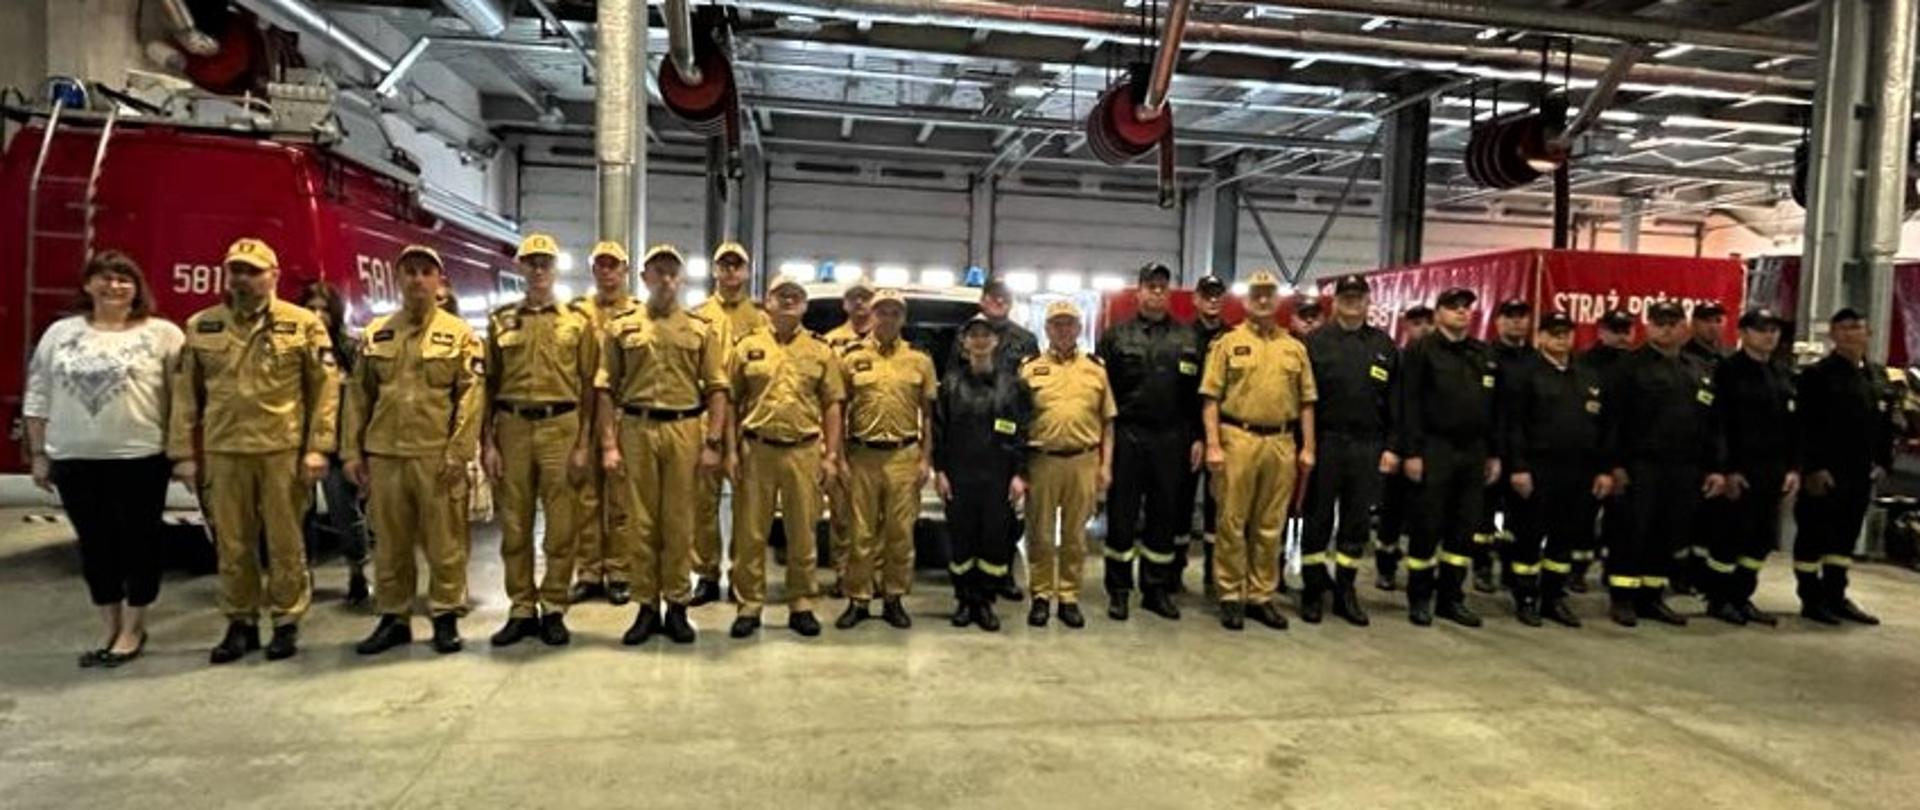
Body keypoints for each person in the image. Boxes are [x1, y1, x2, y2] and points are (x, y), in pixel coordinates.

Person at [169, 237, 339, 663]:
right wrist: (182, 453)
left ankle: (286, 620)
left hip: (282, 451)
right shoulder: (202, 326)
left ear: (273, 276)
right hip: (224, 451)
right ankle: (240, 622)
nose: (242, 279)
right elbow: (185, 395)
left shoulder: (302, 324)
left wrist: (319, 447)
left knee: (285, 543)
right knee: (232, 544)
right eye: (236, 271)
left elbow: (325, 389)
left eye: (253, 271)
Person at [25, 251, 183, 668]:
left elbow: (182, 399)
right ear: (88, 284)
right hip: (73, 457)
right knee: (95, 546)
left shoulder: (163, 334)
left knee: (140, 544)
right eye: (105, 278)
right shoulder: (60, 333)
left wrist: (183, 452)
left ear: (137, 287)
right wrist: (39, 453)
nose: (114, 286)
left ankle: (134, 627)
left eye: (123, 279)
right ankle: (109, 626)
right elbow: (38, 394)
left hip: (141, 457)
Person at [342, 245, 486, 655]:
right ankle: (394, 618)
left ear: (439, 280)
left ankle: (445, 616)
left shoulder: (460, 335)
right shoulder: (376, 334)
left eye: (426, 272)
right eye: (410, 272)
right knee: (390, 543)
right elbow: (358, 396)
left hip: (436, 456)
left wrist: (459, 452)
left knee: (445, 542)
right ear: (398, 278)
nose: (418, 279)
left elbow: (471, 397)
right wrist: (352, 451)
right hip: (386, 456)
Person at [599, 245, 731, 645]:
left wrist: (713, 442)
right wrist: (609, 444)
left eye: (673, 272)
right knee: (639, 523)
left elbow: (718, 387)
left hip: (684, 429)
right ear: (645, 278)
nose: (667, 280)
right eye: (659, 272)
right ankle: (645, 606)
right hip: (637, 428)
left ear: (682, 278)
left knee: (679, 522)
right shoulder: (621, 327)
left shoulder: (700, 329)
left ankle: (676, 605)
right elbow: (605, 387)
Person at [481, 233, 598, 648]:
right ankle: (521, 608)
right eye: (531, 261)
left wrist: (584, 443)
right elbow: (487, 384)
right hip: (512, 427)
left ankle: (553, 607)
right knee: (515, 525)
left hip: (560, 427)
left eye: (545, 261)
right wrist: (487, 444)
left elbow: (589, 385)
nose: (538, 269)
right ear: (520, 267)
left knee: (562, 526)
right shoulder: (500, 321)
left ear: (556, 267)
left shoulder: (577, 322)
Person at [725, 274, 844, 638]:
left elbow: (833, 404)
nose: (789, 300)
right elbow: (730, 401)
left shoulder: (821, 350)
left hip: (803, 451)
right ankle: (749, 605)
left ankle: (801, 603)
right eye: (782, 295)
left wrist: (831, 456)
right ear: (768, 302)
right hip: (756, 450)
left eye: (796, 295)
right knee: (750, 533)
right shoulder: (747, 346)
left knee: (803, 531)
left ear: (804, 305)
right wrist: (730, 451)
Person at [1201, 270, 1316, 631]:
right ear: (1246, 300)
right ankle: (1231, 593)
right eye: (1257, 294)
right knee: (1232, 521)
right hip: (1238, 438)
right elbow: (1210, 399)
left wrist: (1308, 447)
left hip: (1281, 442)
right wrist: (1213, 444)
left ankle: (1261, 595)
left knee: (1270, 523)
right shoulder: (1226, 343)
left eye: (1269, 294)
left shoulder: (1294, 348)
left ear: (1278, 300)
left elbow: (1307, 402)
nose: (1263, 300)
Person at [1603, 300, 1725, 627]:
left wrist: (1715, 467)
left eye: (1673, 323)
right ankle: (1623, 597)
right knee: (1631, 531)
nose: (1667, 329)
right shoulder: (1629, 367)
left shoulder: (1697, 369)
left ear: (1684, 327)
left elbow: (1712, 423)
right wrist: (1615, 464)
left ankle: (1651, 596)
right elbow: (1612, 420)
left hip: (1684, 467)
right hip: (1640, 466)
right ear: (1648, 326)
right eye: (1660, 323)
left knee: (1667, 533)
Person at [1096, 263, 1202, 622]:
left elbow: (1199, 396)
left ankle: (1156, 589)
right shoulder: (1116, 337)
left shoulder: (1188, 338)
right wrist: (1103, 447)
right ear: (1138, 291)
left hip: (1173, 437)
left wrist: (1198, 437)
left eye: (1162, 286)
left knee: (1164, 514)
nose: (1157, 292)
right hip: (1128, 435)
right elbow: (1102, 396)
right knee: (1122, 515)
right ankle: (1119, 590)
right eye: (1150, 286)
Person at [836, 289, 938, 630]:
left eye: (895, 313)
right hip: (862, 456)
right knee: (860, 533)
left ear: (903, 319)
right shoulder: (851, 358)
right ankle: (859, 599)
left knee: (900, 533)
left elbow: (929, 416)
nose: (888, 318)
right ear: (871, 315)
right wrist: (838, 457)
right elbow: (837, 409)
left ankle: (893, 597)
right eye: (882, 312)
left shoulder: (919, 361)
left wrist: (925, 459)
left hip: (903, 457)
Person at [1397, 287, 1499, 627]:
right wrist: (1412, 452)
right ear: (1438, 313)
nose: (1461, 312)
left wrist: (1493, 453)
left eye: (1466, 307)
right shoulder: (1421, 350)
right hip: (1434, 448)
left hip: (1473, 451)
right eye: (1453, 306)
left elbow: (1494, 408)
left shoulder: (1482, 353)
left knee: (1464, 527)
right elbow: (1409, 403)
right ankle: (1419, 597)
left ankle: (1451, 597)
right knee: (1428, 525)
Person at [1500, 312, 1610, 627]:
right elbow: (1513, 426)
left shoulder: (1587, 374)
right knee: (1529, 535)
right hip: (1537, 470)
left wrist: (1602, 469)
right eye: (1555, 333)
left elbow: (1602, 427)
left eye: (1567, 333)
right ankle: (1525, 597)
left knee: (1564, 538)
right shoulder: (1525, 374)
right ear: (1542, 337)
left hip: (1577, 472)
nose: (1562, 339)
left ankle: (1553, 596)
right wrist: (1518, 468)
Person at [1299, 274, 1396, 626]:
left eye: (1359, 296)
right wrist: (1305, 446)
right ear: (1336, 301)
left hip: (1368, 446)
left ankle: (1345, 591)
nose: (1353, 302)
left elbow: (1395, 403)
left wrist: (1391, 447)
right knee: (1317, 518)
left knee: (1356, 522)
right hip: (1326, 442)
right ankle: (1312, 591)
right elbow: (1302, 401)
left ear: (1368, 301)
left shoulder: (1384, 345)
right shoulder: (1315, 343)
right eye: (1347, 296)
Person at [1792, 308, 1895, 626]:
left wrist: (1883, 462)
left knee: (1843, 538)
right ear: (1833, 335)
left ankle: (1835, 596)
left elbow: (1885, 424)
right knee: (1814, 536)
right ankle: (1811, 598)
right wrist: (1812, 468)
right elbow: (1803, 425)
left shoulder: (1877, 376)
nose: (1850, 334)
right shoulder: (1817, 375)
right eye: (1843, 328)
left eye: (1856, 327)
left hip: (1860, 472)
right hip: (1826, 472)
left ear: (1869, 333)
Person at [933, 314, 1032, 632]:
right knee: (961, 540)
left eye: (985, 335)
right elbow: (939, 431)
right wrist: (940, 471)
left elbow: (1022, 431)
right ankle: (964, 601)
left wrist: (1019, 474)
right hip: (960, 476)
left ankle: (985, 602)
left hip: (998, 476)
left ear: (995, 341)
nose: (979, 341)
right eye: (973, 335)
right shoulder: (950, 385)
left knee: (993, 540)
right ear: (964, 343)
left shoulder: (1013, 385)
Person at [1020, 300, 1116, 629]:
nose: (1063, 330)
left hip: (1083, 461)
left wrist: (1106, 466)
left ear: (1078, 328)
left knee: (1075, 535)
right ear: (1046, 329)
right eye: (1056, 324)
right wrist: (1019, 469)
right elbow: (1018, 422)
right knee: (1040, 533)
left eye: (1069, 324)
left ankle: (1068, 596)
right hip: (1042, 461)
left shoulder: (1096, 369)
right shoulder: (1029, 369)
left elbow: (1108, 422)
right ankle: (1041, 595)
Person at [1703, 308, 1796, 627]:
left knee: (1760, 539)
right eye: (1761, 329)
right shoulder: (1728, 371)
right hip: (1740, 471)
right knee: (1730, 538)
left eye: (1774, 330)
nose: (1769, 336)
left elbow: (1793, 426)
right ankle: (1719, 599)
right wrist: (1726, 469)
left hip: (1772, 471)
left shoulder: (1781, 372)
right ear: (1743, 333)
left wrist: (1792, 468)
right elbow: (1717, 424)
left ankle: (1742, 595)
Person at [690, 241, 770, 607]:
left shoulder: (762, 320)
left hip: (745, 422)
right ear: (714, 270)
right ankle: (706, 574)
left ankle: (741, 575)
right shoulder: (697, 316)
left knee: (746, 507)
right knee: (702, 505)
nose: (731, 271)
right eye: (725, 265)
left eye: (737, 265)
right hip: (705, 419)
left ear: (747, 272)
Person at [571, 241, 641, 607]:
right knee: (585, 497)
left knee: (621, 499)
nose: (608, 271)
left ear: (625, 270)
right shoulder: (575, 313)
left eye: (614, 265)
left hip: (621, 413)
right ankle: (588, 571)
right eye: (601, 265)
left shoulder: (639, 314)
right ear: (593, 270)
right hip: (583, 412)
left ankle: (619, 571)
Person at [299, 280, 371, 606]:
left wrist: (359, 448)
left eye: (324, 309)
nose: (317, 315)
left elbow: (361, 400)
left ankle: (358, 570)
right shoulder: (294, 346)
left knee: (344, 512)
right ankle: (303, 576)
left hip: (341, 445)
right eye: (310, 308)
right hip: (301, 443)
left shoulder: (350, 348)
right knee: (300, 515)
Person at [1578, 309, 1637, 592]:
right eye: (1616, 330)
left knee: (1620, 519)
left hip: (1626, 453)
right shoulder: (1584, 363)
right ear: (1601, 331)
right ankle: (1576, 569)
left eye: (1627, 330)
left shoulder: (1638, 365)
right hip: (1590, 450)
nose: (1623, 336)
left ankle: (1612, 568)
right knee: (1583, 515)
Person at [1478, 298, 1534, 594]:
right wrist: (1491, 452)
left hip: (1525, 450)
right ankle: (1482, 566)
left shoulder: (1536, 360)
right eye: (1510, 316)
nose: (1516, 321)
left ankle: (1512, 569)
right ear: (1498, 321)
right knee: (1484, 514)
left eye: (1522, 316)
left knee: (1520, 515)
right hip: (1492, 448)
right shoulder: (1484, 357)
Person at [824, 279, 876, 598]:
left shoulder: (887, 340)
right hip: (840, 440)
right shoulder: (829, 342)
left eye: (865, 297)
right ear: (844, 304)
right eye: (853, 298)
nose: (859, 303)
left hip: (874, 441)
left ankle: (872, 575)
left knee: (875, 517)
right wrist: (831, 450)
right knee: (842, 515)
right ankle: (843, 573)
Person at [1375, 304, 1433, 592]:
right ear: (1406, 327)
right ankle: (1386, 567)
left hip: (1429, 449)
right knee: (1391, 512)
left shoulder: (1439, 360)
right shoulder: (1397, 359)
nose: (1423, 328)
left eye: (1427, 322)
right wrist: (1394, 447)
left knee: (1426, 515)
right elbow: (1393, 406)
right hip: (1398, 447)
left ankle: (1422, 574)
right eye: (1416, 323)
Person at [1676, 301, 1731, 595]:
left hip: (1720, 452)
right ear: (1693, 324)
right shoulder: (1682, 359)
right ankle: (1679, 574)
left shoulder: (1728, 361)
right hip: (1689, 452)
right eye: (1707, 320)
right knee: (1684, 519)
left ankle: (1700, 575)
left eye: (1718, 320)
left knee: (1712, 522)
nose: (1713, 326)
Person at [1186, 274, 1231, 596]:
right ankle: (1171, 573)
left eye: (1217, 294)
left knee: (1220, 507)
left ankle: (1214, 573)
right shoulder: (1181, 337)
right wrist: (1195, 436)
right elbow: (1179, 393)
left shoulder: (1234, 338)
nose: (1212, 300)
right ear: (1196, 299)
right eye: (1207, 294)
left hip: (1224, 436)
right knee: (1179, 504)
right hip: (1187, 437)